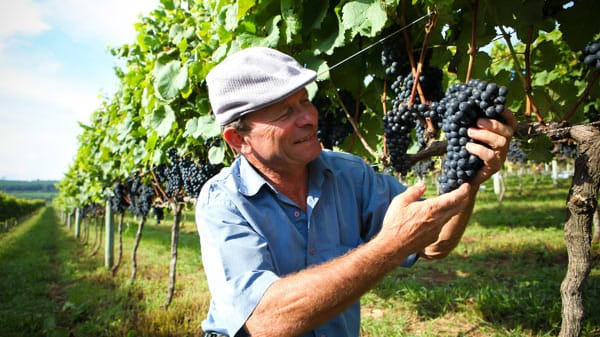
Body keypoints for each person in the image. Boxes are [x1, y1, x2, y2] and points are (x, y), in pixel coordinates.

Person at [195, 46, 516, 337]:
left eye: (305, 101)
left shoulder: (350, 174)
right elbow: (265, 320)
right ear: (239, 140)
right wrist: (391, 244)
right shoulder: (223, 201)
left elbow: (433, 244)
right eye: (284, 112)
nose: (308, 118)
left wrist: (470, 176)